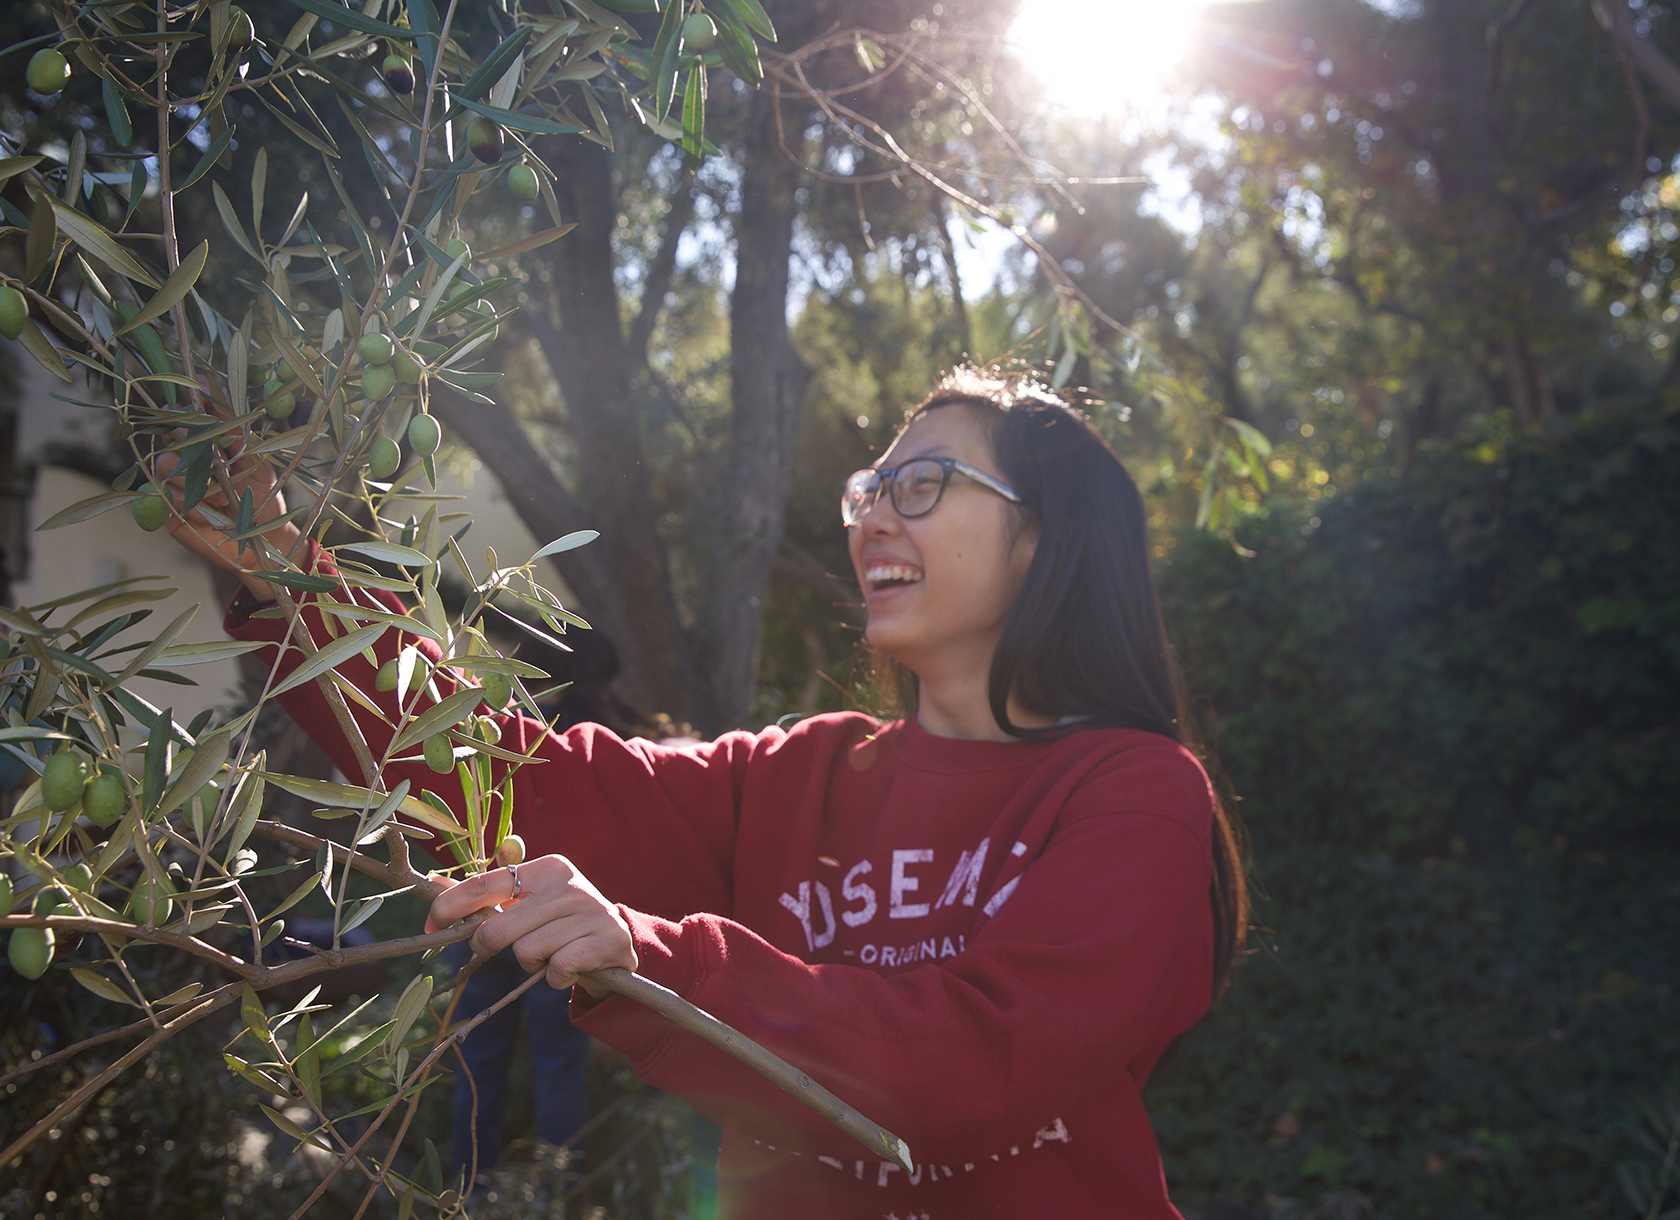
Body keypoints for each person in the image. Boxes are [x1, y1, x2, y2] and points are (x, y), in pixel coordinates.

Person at [166, 366, 1247, 1219]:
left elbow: (978, 1056)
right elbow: (517, 780)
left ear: (1045, 535)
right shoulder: (800, 774)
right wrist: (289, 578)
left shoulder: (1137, 794)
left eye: (920, 485)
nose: (872, 516)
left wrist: (655, 956)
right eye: (867, 491)